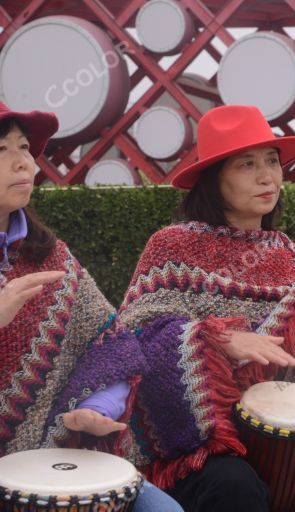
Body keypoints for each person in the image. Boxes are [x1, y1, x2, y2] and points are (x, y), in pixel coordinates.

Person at [115, 105, 295, 512]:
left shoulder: (292, 256)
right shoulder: (171, 246)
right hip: (198, 444)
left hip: (285, 441)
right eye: (247, 165)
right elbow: (134, 344)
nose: (267, 176)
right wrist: (214, 340)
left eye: (272, 162)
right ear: (214, 177)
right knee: (236, 485)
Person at [0, 103, 181, 511]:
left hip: (59, 460)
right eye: (2, 150)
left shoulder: (52, 257)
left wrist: (92, 408)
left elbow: (112, 344)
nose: (23, 161)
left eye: (24, 146)